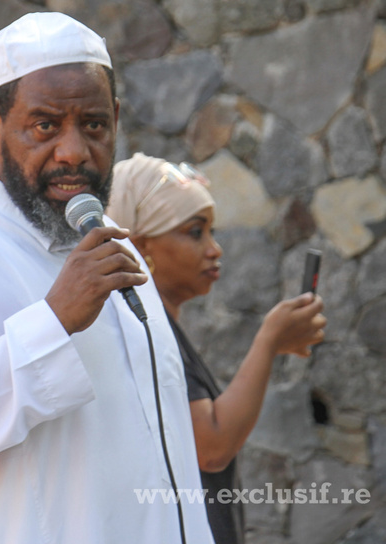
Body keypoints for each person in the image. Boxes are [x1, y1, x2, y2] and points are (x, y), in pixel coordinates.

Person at [0, 12, 215, 543]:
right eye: (45, 125)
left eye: (94, 125)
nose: (74, 150)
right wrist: (53, 324)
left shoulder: (119, 252)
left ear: (116, 121)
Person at [106, 153, 327, 544]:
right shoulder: (143, 332)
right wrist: (269, 341)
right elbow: (211, 445)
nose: (215, 249)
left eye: (211, 231)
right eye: (195, 232)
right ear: (141, 248)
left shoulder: (161, 329)